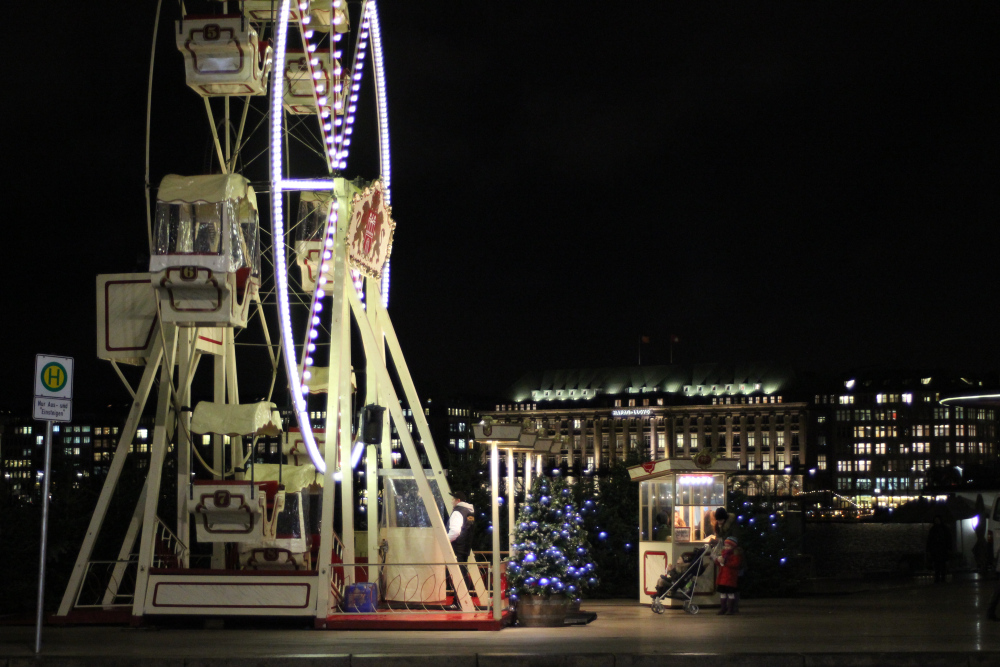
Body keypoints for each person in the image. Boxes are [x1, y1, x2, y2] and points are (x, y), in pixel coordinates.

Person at [446, 491, 475, 606]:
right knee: (463, 574)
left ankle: (458, 602)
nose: (452, 501)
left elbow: (455, 531)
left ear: (458, 500)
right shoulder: (469, 512)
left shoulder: (458, 512)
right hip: (465, 547)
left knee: (458, 576)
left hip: (457, 548)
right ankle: (463, 601)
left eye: (453, 499)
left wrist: (446, 541)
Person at [715, 536, 742, 614]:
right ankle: (723, 608)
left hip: (730, 577)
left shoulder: (736, 555)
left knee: (730, 593)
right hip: (723, 576)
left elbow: (735, 564)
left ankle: (730, 609)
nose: (726, 547)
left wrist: (725, 562)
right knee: (723, 593)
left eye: (728, 546)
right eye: (725, 546)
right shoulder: (723, 553)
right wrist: (717, 560)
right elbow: (720, 564)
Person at [926, 515, 951, 583]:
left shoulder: (943, 529)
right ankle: (938, 577)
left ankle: (942, 577)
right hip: (936, 550)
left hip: (942, 549)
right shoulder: (934, 529)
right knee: (937, 565)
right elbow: (930, 540)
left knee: (942, 565)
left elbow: (948, 539)